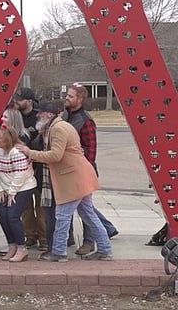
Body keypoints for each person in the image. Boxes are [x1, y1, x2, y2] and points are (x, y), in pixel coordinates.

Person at [17, 101, 113, 262]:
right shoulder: (57, 127)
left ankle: (59, 252)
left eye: (41, 113)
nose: (38, 115)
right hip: (78, 177)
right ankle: (104, 249)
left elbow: (56, 155)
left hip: (73, 178)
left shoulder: (58, 129)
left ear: (49, 115)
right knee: (88, 215)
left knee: (62, 216)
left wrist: (30, 152)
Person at [62, 83, 119, 256]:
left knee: (85, 209)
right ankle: (73, 236)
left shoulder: (85, 121)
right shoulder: (66, 116)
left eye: (70, 96)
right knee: (81, 208)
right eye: (67, 95)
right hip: (68, 170)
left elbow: (91, 152)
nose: (66, 98)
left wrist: (77, 159)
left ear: (79, 99)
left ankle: (89, 242)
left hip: (82, 171)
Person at [0, 125, 37, 262]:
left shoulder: (16, 152)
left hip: (23, 187)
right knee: (2, 215)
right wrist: (0, 189)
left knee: (12, 216)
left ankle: (21, 248)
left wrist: (12, 191)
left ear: (7, 140)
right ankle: (11, 245)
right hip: (6, 187)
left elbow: (21, 174)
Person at [12, 88, 48, 250]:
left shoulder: (39, 116)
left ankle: (43, 237)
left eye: (20, 99)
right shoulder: (15, 116)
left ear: (29, 101)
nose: (16, 101)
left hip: (39, 166)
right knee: (25, 205)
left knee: (40, 204)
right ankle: (30, 235)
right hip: (21, 166)